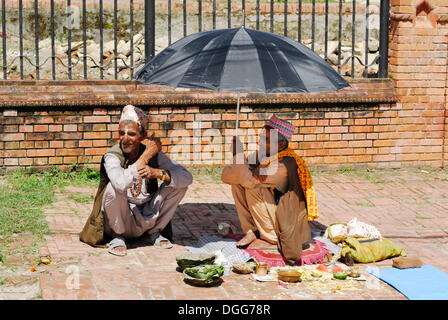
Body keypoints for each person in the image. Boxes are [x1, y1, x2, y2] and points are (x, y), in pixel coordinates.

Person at [80, 105, 193, 256]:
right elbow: (120, 183)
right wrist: (146, 156)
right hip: (120, 220)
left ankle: (154, 232)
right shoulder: (112, 156)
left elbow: (187, 177)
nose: (125, 139)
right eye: (121, 133)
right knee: (113, 188)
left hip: (147, 218)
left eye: (131, 134)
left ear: (143, 135)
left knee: (179, 184)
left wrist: (158, 173)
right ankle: (117, 237)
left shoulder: (154, 155)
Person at [221, 115, 319, 265]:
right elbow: (226, 176)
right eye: (261, 137)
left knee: (253, 187)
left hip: (288, 225)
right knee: (239, 184)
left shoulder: (285, 165)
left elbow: (248, 180)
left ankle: (271, 238)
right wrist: (240, 165)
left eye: (265, 140)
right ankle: (253, 231)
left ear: (280, 145)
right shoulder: (264, 156)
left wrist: (238, 156)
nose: (259, 142)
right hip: (275, 214)